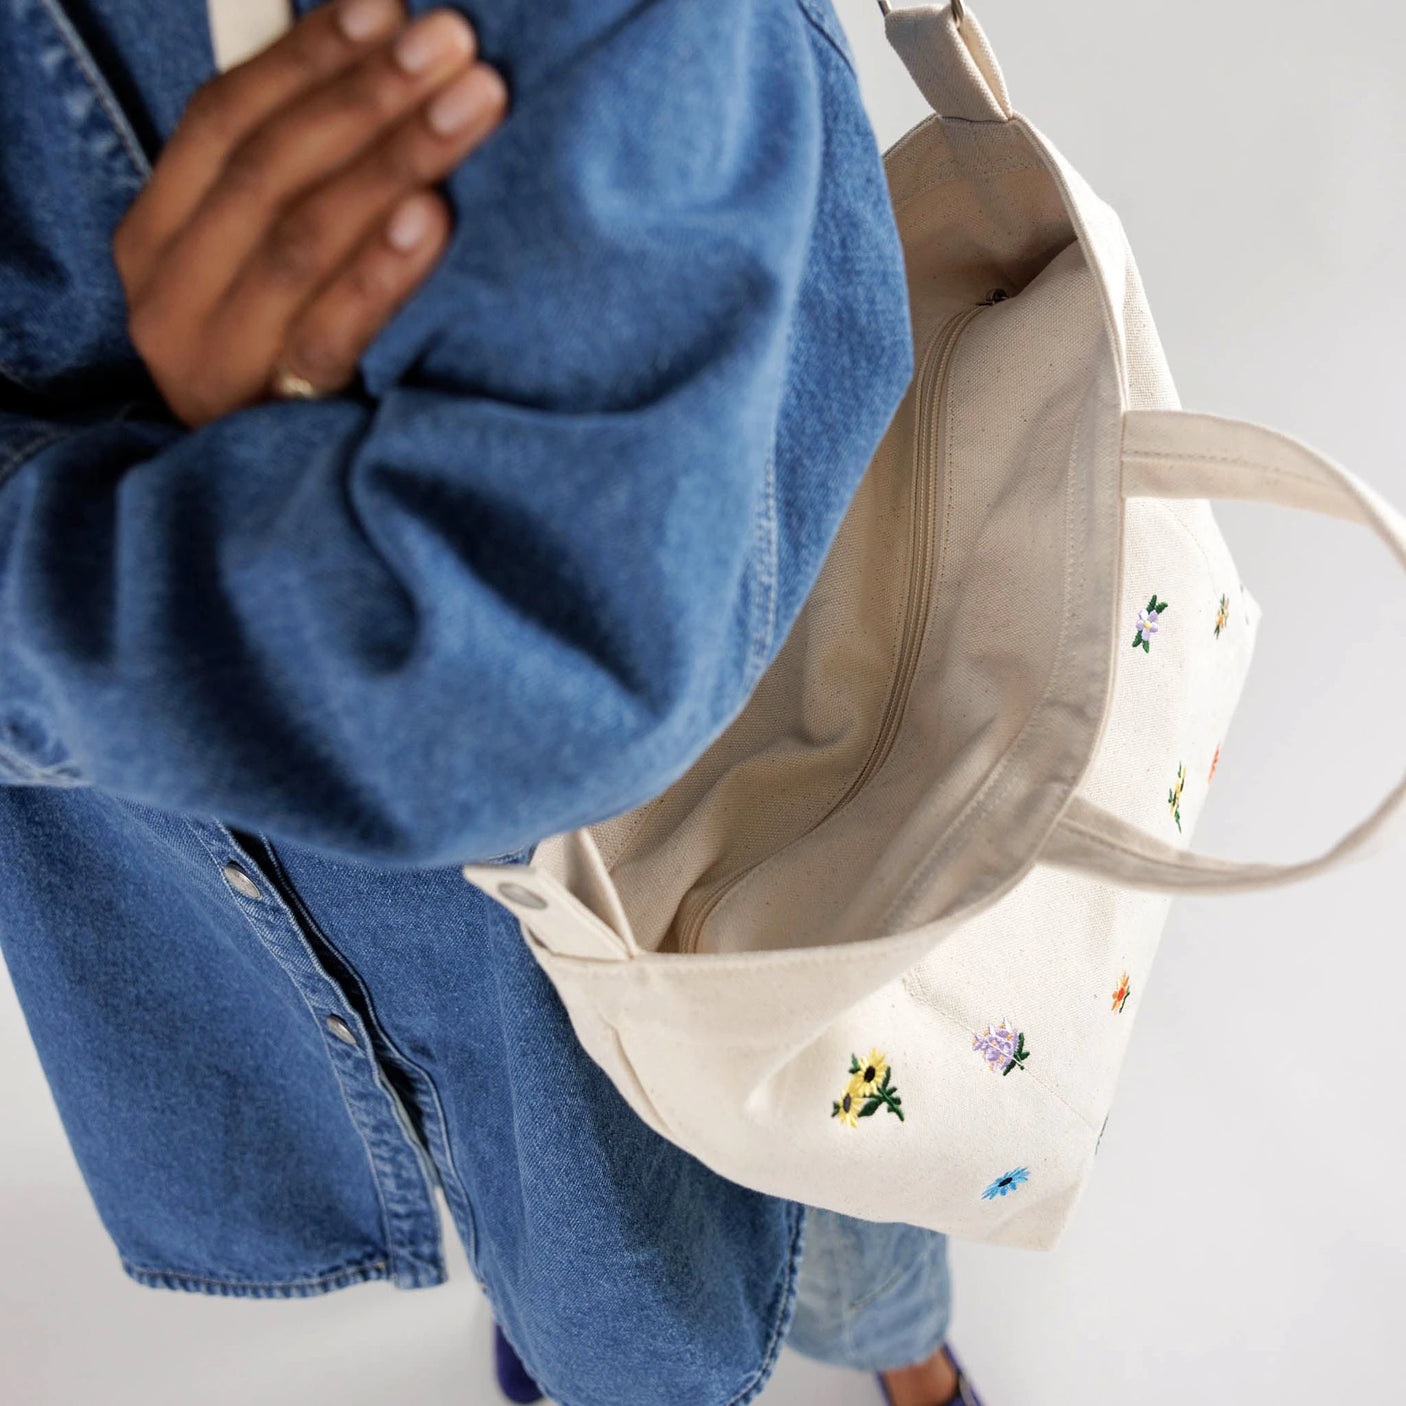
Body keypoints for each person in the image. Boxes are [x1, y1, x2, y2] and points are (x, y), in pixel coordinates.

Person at [0, 1, 980, 1402]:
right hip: (214, 857)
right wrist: (239, 478)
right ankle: (580, 1304)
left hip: (724, 750)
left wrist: (147, 481)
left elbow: (563, 639)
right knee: (556, 1204)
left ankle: (902, 1350)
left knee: (813, 1109)